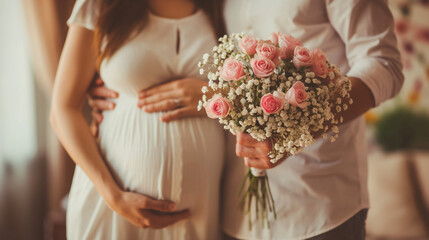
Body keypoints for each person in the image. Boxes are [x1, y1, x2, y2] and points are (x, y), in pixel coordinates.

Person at [89, 0, 404, 239]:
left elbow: (384, 64)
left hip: (318, 207)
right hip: (229, 210)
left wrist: (297, 130)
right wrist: (109, 82)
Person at [50, 0, 226, 239]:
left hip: (201, 209)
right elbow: (62, 109)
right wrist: (114, 196)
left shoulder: (217, 6)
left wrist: (218, 95)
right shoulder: (100, 4)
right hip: (114, 205)